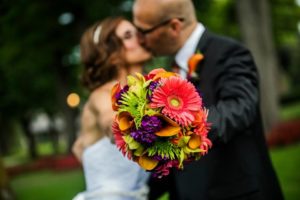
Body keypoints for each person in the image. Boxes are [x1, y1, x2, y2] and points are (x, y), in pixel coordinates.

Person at [133, 0, 284, 199]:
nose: (139, 40)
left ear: (174, 27)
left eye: (143, 31)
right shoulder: (168, 73)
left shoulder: (229, 53)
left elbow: (239, 108)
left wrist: (179, 129)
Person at [72, 16, 152, 200]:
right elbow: (111, 120)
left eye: (138, 32)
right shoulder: (103, 95)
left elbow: (78, 147)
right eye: (128, 35)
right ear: (111, 52)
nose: (141, 38)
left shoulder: (147, 93)